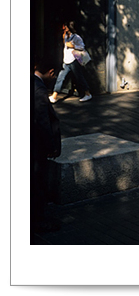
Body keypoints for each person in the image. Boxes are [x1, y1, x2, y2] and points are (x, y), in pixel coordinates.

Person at [31, 58, 62, 239]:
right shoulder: (39, 89)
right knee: (38, 183)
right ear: (51, 72)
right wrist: (51, 146)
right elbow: (42, 121)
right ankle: (38, 221)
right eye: (55, 74)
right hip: (36, 146)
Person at [50, 21, 92, 103]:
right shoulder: (66, 36)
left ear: (69, 27)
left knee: (79, 78)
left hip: (74, 61)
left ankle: (87, 94)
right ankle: (54, 96)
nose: (64, 27)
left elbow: (82, 47)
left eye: (66, 26)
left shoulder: (76, 37)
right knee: (60, 78)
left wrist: (73, 45)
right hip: (66, 61)